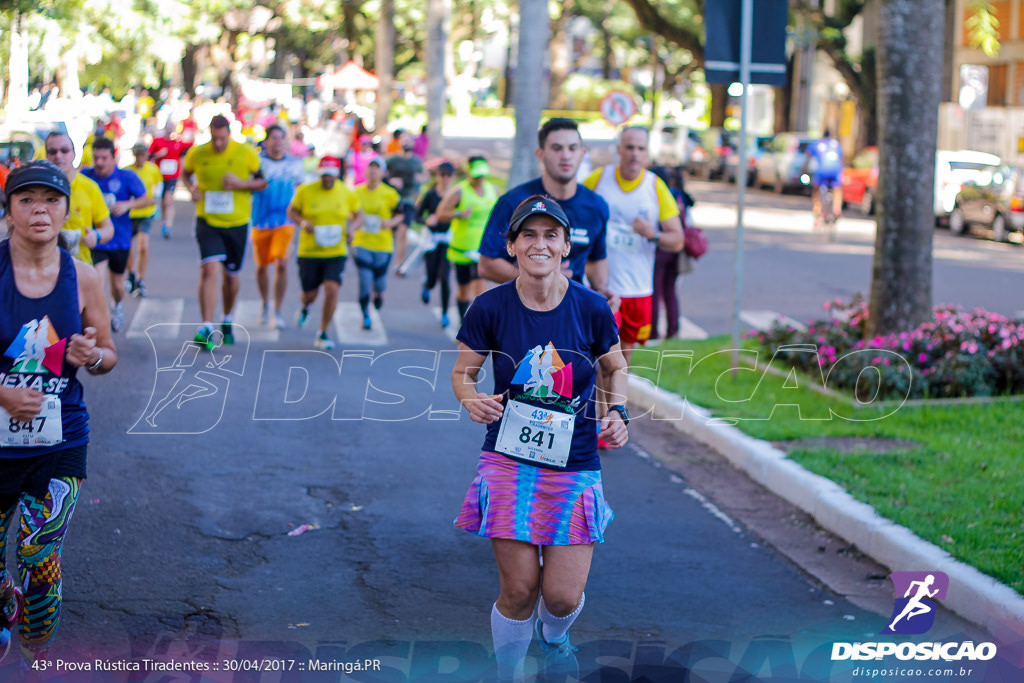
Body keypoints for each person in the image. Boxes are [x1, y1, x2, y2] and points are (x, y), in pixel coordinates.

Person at [451, 195, 629, 683]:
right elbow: (463, 374)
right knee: (520, 588)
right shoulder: (489, 306)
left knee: (562, 596)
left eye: (551, 235)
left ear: (565, 247)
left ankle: (554, 638)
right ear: (511, 245)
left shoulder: (590, 307)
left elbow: (615, 366)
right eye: (528, 234)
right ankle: (507, 673)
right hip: (508, 461)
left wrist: (618, 411)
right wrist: (471, 400)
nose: (539, 244)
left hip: (575, 463)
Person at [0, 161, 117, 670]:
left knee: (39, 557)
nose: (39, 209)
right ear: (8, 213)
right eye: (26, 200)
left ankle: (37, 653)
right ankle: (7, 601)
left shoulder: (85, 278)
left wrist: (90, 356)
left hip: (60, 442)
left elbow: (109, 354)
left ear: (67, 211)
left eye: (50, 199)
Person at [477, 118, 612, 302]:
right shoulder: (514, 201)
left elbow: (597, 260)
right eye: (557, 148)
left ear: (582, 154)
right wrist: (539, 276)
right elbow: (486, 265)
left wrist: (603, 292)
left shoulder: (596, 206)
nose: (565, 156)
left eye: (572, 148)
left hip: (573, 312)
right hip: (523, 310)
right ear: (540, 154)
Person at [582, 126, 684, 363]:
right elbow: (570, 211)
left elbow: (677, 240)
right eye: (629, 147)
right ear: (619, 149)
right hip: (600, 288)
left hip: (637, 289)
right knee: (595, 359)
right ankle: (599, 402)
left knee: (623, 362)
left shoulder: (655, 187)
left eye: (641, 148)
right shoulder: (599, 179)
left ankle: (614, 401)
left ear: (647, 153)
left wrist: (651, 233)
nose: (635, 154)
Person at [181, 114, 266, 350]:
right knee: (209, 270)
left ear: (229, 133)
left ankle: (227, 319)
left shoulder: (246, 153)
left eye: (222, 138)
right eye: (214, 138)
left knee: (231, 277)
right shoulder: (197, 153)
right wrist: (191, 188)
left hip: (237, 223)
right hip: (207, 220)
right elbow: (185, 173)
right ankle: (207, 327)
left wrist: (241, 184)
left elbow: (262, 183)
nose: (218, 143)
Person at [287, 156, 362, 350]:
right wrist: (303, 223)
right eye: (324, 175)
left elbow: (359, 214)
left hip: (336, 251)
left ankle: (323, 332)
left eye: (331, 175)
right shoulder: (306, 191)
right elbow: (291, 211)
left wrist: (353, 229)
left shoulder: (346, 193)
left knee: (332, 288)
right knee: (310, 294)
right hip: (310, 251)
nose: (327, 179)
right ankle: (306, 307)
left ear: (337, 175)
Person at [81, 137, 153, 333]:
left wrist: (127, 205)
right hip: (97, 240)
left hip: (120, 239)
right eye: (96, 158)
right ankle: (98, 322)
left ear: (114, 157)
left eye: (104, 158)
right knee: (97, 279)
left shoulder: (126, 177)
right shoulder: (86, 176)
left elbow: (147, 199)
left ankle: (118, 307)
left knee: (118, 286)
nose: (100, 163)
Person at [250, 124, 305, 329]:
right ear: (266, 141)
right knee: (262, 266)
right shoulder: (257, 163)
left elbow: (300, 189)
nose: (278, 142)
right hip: (260, 221)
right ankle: (265, 303)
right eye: (273, 138)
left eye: (281, 138)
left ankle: (277, 310)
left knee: (281, 263)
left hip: (285, 221)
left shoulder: (295, 164)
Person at [436, 156, 499, 323]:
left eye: (482, 174)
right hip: (461, 250)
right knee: (464, 291)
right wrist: (459, 213)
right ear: (468, 173)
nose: (480, 178)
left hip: (482, 251)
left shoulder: (494, 190)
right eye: (476, 175)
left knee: (481, 290)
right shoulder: (459, 191)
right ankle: (462, 322)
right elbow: (440, 214)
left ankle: (477, 327)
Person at [44, 132, 114, 265]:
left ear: (74, 154)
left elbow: (108, 229)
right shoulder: (38, 189)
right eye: (53, 151)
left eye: (64, 150)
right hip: (45, 268)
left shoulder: (90, 187)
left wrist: (96, 235)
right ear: (47, 156)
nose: (58, 156)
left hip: (81, 268)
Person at [351, 158, 401, 331]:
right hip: (361, 243)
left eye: (377, 169)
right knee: (365, 281)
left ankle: (379, 295)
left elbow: (401, 215)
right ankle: (365, 315)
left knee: (379, 284)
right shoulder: (356, 192)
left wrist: (391, 222)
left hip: (383, 245)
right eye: (370, 169)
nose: (373, 172)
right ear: (365, 172)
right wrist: (354, 222)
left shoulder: (390, 194)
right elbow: (351, 213)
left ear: (383, 173)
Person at [648, 165, 691, 342]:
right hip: (676, 248)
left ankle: (653, 331)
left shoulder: (656, 195)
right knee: (670, 290)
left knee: (655, 289)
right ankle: (673, 330)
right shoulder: (679, 195)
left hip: (661, 247)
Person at [415, 161, 455, 328]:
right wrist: (426, 220)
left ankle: (445, 313)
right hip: (431, 240)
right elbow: (417, 215)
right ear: (437, 176)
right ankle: (427, 285)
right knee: (432, 277)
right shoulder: (430, 195)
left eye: (448, 175)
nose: (445, 178)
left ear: (452, 177)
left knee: (445, 278)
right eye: (442, 174)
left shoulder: (455, 195)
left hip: (448, 240)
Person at [127, 142, 164, 298]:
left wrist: (156, 197)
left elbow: (159, 183)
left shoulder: (152, 169)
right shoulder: (128, 171)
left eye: (143, 154)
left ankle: (140, 279)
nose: (140, 158)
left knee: (144, 246)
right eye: (137, 154)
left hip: (146, 213)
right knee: (128, 249)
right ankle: (130, 274)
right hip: (129, 215)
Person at [385, 131, 426, 270]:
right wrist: (391, 181)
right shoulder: (392, 160)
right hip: (392, 199)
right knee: (390, 231)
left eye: (409, 140)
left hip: (408, 199)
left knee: (403, 231)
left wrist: (420, 180)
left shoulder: (416, 161)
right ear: (399, 142)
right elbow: (380, 174)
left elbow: (425, 176)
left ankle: (399, 263)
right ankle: (385, 259)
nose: (406, 143)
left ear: (413, 143)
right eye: (404, 140)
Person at [148, 123, 190, 239]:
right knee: (162, 200)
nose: (169, 130)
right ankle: (164, 222)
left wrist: (183, 171)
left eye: (171, 128)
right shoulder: (157, 141)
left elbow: (184, 154)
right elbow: (149, 156)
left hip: (172, 176)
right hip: (159, 176)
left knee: (168, 198)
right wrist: (158, 154)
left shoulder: (178, 143)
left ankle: (168, 225)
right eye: (168, 127)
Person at [807, 128, 844, 226]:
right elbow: (841, 158)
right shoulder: (836, 144)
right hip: (835, 171)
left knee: (816, 189)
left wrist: (804, 171)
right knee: (837, 188)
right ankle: (837, 208)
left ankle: (817, 208)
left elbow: (807, 158)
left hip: (821, 171)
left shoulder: (816, 144)